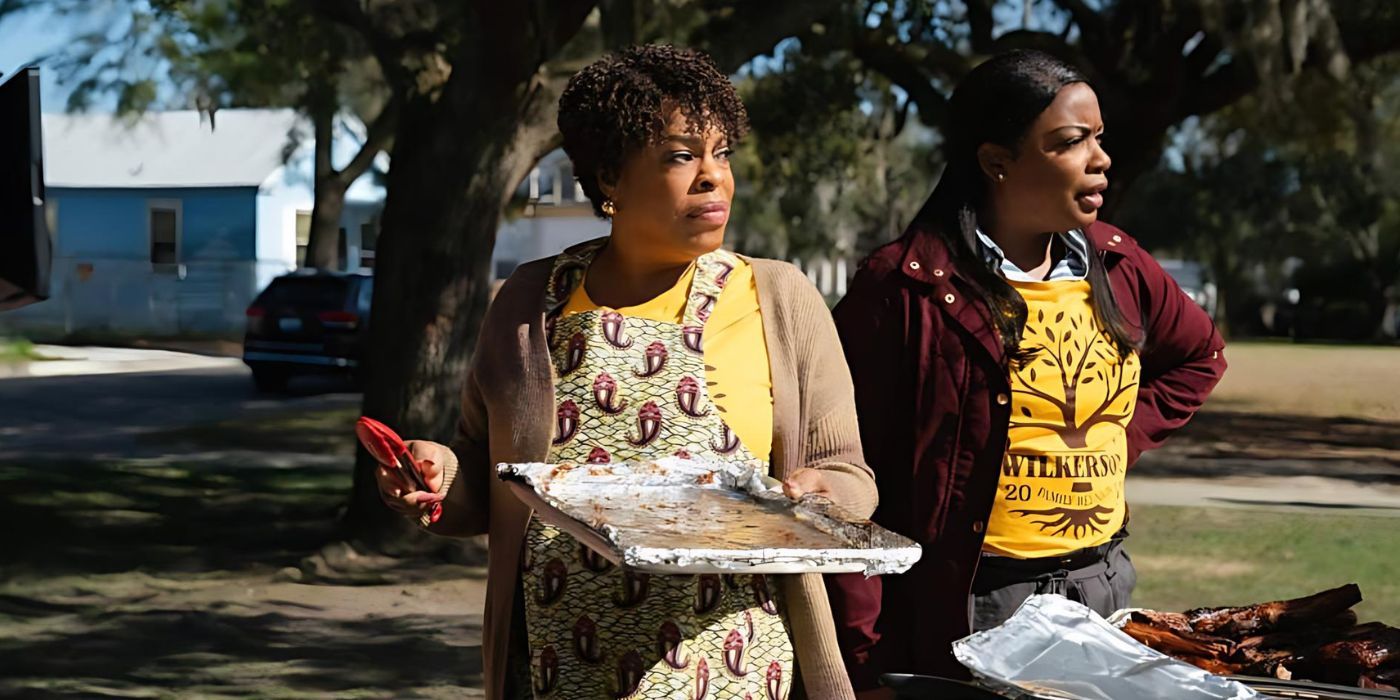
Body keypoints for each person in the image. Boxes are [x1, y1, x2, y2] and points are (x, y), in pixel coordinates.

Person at [374, 45, 876, 700]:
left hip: (739, 669)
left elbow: (851, 475)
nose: (712, 178)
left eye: (721, 153)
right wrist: (438, 473)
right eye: (679, 156)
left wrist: (819, 494)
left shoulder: (780, 299)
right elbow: (487, 479)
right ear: (610, 176)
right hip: (564, 671)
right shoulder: (529, 304)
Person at [824, 50, 1227, 696]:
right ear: (996, 161)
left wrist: (1113, 441)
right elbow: (843, 481)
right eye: (1071, 142)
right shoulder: (904, 289)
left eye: (1099, 138)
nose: (1101, 159)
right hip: (978, 605)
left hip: (1101, 586)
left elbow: (1198, 356)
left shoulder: (1119, 266)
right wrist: (864, 656)